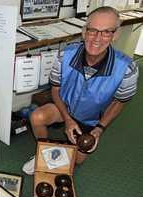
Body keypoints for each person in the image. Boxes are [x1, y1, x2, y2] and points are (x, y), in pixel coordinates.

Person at [22, 6, 138, 175]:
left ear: (115, 35)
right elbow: (55, 89)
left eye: (106, 32)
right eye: (92, 31)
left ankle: (64, 154)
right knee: (37, 116)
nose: (97, 38)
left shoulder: (127, 69)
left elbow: (119, 102)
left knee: (78, 160)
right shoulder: (64, 56)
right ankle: (44, 153)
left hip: (91, 120)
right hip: (64, 107)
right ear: (84, 32)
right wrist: (68, 119)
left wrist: (99, 129)